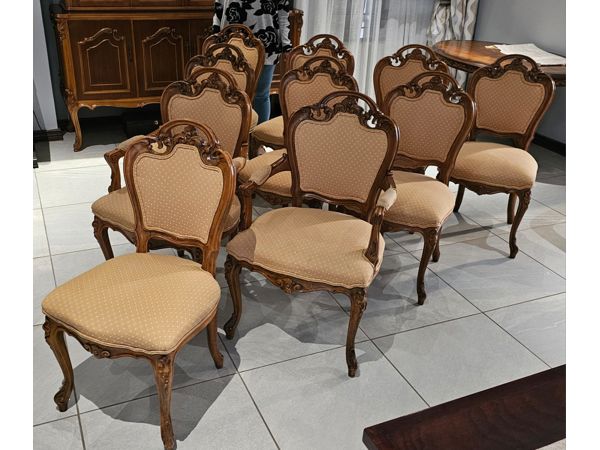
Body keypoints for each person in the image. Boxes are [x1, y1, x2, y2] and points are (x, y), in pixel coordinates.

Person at [213, 1, 292, 124]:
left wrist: (286, 45)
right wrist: (215, 38)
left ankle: (260, 134)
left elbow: (283, 13)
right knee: (230, 94)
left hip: (266, 45)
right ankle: (234, 134)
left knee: (261, 94)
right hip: (231, 43)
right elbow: (219, 8)